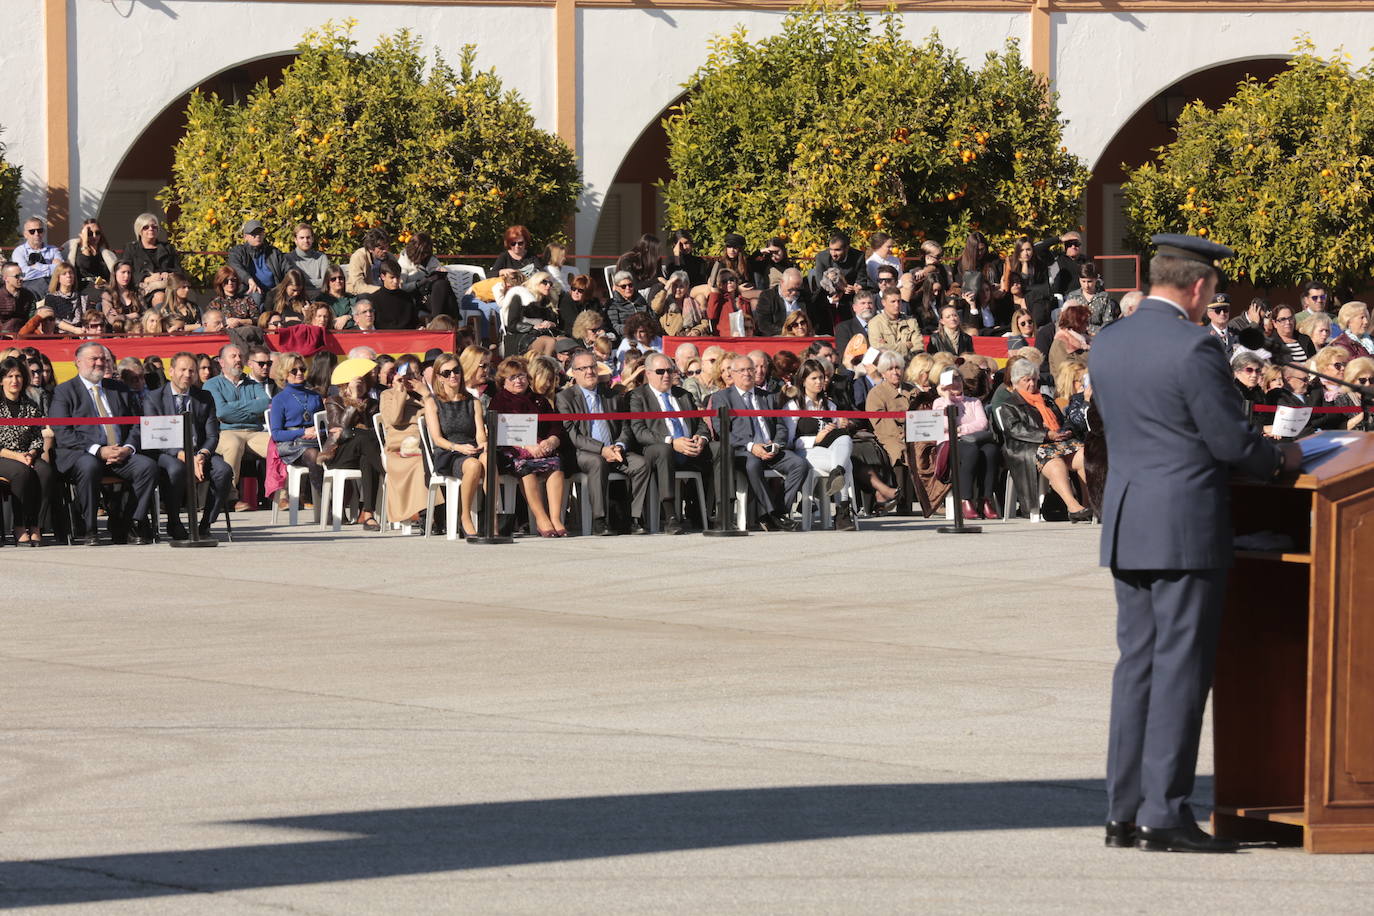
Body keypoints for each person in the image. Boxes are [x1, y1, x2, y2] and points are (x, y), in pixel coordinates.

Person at [1092, 233, 1298, 854]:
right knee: (1181, 671)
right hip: (1184, 527)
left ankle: (1123, 813)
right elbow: (1234, 444)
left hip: (1130, 521)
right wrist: (1282, 454)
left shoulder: (1110, 341)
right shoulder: (1193, 348)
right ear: (1200, 286)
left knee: (1138, 670)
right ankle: (1164, 814)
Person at [50, 342, 158, 545]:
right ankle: (90, 528)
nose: (100, 363)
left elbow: (137, 424)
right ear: (78, 362)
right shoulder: (64, 391)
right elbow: (63, 433)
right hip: (84, 454)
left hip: (121, 453)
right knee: (88, 466)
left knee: (147, 467)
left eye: (103, 359)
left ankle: (132, 523)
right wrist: (98, 451)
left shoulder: (120, 389)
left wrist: (128, 448)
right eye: (94, 359)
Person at [557, 350, 651, 535]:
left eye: (592, 367)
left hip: (615, 449)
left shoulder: (612, 396)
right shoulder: (565, 398)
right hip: (583, 453)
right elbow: (573, 435)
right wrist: (602, 449)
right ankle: (599, 520)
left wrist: (620, 445)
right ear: (574, 373)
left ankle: (634, 518)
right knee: (597, 462)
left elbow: (625, 427)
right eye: (583, 368)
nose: (589, 372)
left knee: (642, 464)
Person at [143, 352, 234, 539]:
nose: (187, 374)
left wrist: (202, 455)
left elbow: (212, 434)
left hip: (198, 451)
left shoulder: (204, 397)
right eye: (182, 370)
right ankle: (174, 522)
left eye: (191, 371)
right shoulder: (153, 398)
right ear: (171, 371)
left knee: (223, 471)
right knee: (176, 470)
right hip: (167, 452)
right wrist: (181, 454)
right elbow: (154, 435)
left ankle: (206, 523)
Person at [715, 355, 808, 531]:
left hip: (770, 447)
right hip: (744, 451)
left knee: (799, 464)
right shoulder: (723, 397)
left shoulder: (767, 397)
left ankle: (777, 511)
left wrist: (777, 445)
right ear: (732, 374)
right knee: (753, 463)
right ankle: (773, 515)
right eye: (741, 370)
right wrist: (751, 446)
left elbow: (781, 426)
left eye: (750, 369)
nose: (747, 374)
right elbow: (723, 432)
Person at [626, 351, 713, 534]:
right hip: (656, 451)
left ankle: (712, 511)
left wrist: (701, 439)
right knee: (664, 450)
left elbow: (701, 425)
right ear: (648, 373)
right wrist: (671, 442)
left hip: (689, 447)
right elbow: (639, 432)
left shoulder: (684, 395)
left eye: (669, 370)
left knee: (720, 449)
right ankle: (671, 516)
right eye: (660, 372)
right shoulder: (638, 396)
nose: (666, 375)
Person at [490, 356, 566, 536]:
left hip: (540, 448)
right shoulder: (499, 400)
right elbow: (500, 430)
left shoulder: (539, 400)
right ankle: (541, 518)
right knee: (525, 468)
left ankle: (556, 518)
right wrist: (527, 445)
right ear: (503, 381)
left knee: (557, 465)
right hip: (511, 450)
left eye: (522, 376)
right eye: (513, 377)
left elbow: (556, 426)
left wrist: (552, 440)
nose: (519, 381)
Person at [782, 358, 856, 530]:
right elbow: (790, 442)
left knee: (844, 437)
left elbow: (840, 436)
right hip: (808, 451)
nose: (819, 382)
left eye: (821, 378)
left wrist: (839, 425)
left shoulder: (830, 405)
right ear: (803, 381)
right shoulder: (793, 406)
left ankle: (837, 474)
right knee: (846, 464)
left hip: (832, 450)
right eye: (814, 378)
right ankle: (842, 512)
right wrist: (816, 439)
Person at [421, 353, 485, 537]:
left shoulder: (473, 401)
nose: (452, 376)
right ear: (439, 377)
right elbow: (437, 439)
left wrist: (483, 444)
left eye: (456, 370)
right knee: (473, 465)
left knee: (489, 460)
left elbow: (480, 433)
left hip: (471, 449)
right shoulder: (433, 403)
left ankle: (491, 518)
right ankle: (465, 517)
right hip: (448, 453)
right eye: (446, 373)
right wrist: (459, 448)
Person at [203, 343, 274, 505]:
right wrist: (250, 409)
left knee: (276, 445)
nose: (238, 360)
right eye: (233, 356)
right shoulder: (212, 384)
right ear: (221, 362)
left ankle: (279, 493)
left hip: (254, 432)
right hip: (226, 431)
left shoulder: (252, 384)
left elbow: (265, 404)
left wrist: (232, 407)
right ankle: (230, 496)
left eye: (240, 356)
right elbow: (221, 412)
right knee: (233, 445)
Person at [931, 366, 1001, 520]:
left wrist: (960, 429)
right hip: (950, 443)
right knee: (971, 450)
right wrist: (947, 398)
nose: (955, 383)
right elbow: (945, 424)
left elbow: (982, 423)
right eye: (951, 380)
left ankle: (985, 499)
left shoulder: (973, 401)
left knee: (991, 450)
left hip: (973, 440)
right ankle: (966, 499)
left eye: (958, 378)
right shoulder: (938, 403)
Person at [322, 360, 384, 532]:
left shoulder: (372, 404)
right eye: (357, 381)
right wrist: (354, 400)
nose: (361, 385)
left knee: (366, 457)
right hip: (339, 453)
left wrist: (362, 405)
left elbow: (376, 431)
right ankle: (389, 476)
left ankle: (368, 514)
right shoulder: (334, 401)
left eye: (364, 381)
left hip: (365, 453)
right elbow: (340, 429)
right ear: (346, 384)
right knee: (362, 436)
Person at [0, 356, 55, 545]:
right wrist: (17, 456)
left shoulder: (30, 406)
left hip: (27, 454)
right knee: (21, 473)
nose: (14, 381)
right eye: (9, 376)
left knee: (46, 472)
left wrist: (31, 453)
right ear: (1, 380)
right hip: (4, 456)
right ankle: (19, 525)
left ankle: (36, 525)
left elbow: (37, 437)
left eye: (18, 376)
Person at [267, 352, 325, 509]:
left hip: (315, 440)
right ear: (284, 374)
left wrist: (320, 431)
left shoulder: (315, 396)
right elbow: (277, 434)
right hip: (291, 444)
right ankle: (327, 507)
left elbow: (324, 423)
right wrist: (303, 432)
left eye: (302, 369)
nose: (299, 373)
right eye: (294, 370)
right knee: (313, 455)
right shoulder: (279, 399)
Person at [124, 213, 181, 290]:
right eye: (146, 227)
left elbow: (179, 270)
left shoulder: (168, 248)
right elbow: (127, 271)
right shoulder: (131, 248)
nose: (151, 229)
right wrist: (147, 279)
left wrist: (169, 274)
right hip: (143, 288)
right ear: (139, 230)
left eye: (154, 227)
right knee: (159, 296)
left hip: (166, 286)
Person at [11, 216, 64, 299]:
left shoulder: (53, 250)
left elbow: (62, 270)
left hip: (54, 289)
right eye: (32, 231)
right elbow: (23, 274)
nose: (37, 234)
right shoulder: (19, 251)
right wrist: (51, 268)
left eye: (40, 230)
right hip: (31, 293)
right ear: (25, 235)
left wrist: (36, 267)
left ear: (43, 232)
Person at [869, 288, 922, 358]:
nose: (897, 305)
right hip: (886, 364)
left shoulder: (911, 322)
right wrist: (905, 346)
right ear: (883, 302)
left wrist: (888, 346)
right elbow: (878, 349)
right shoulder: (875, 323)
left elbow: (918, 347)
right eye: (893, 301)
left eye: (899, 301)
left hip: (910, 362)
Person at [65, 218, 117, 290]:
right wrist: (85, 242)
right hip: (82, 290)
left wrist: (106, 284)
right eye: (90, 234)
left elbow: (113, 275)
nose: (94, 236)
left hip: (102, 291)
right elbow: (85, 263)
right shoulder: (76, 249)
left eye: (97, 233)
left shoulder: (106, 253)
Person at [287, 223, 331, 291]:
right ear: (295, 240)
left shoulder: (321, 258)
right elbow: (291, 283)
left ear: (312, 239)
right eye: (302, 238)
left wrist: (303, 282)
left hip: (319, 298)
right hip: (298, 297)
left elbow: (326, 282)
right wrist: (318, 282)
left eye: (308, 237)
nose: (306, 241)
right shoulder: (288, 259)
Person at [346, 228, 391, 296]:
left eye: (387, 247)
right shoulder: (358, 257)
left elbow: (398, 278)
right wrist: (382, 291)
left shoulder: (390, 257)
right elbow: (358, 286)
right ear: (370, 248)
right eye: (381, 248)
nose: (385, 251)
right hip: (359, 296)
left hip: (385, 295)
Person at [0, 260, 39, 335]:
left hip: (24, 335)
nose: (21, 278)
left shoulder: (28, 295)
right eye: (17, 276)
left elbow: (31, 318)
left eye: (22, 275)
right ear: (5, 278)